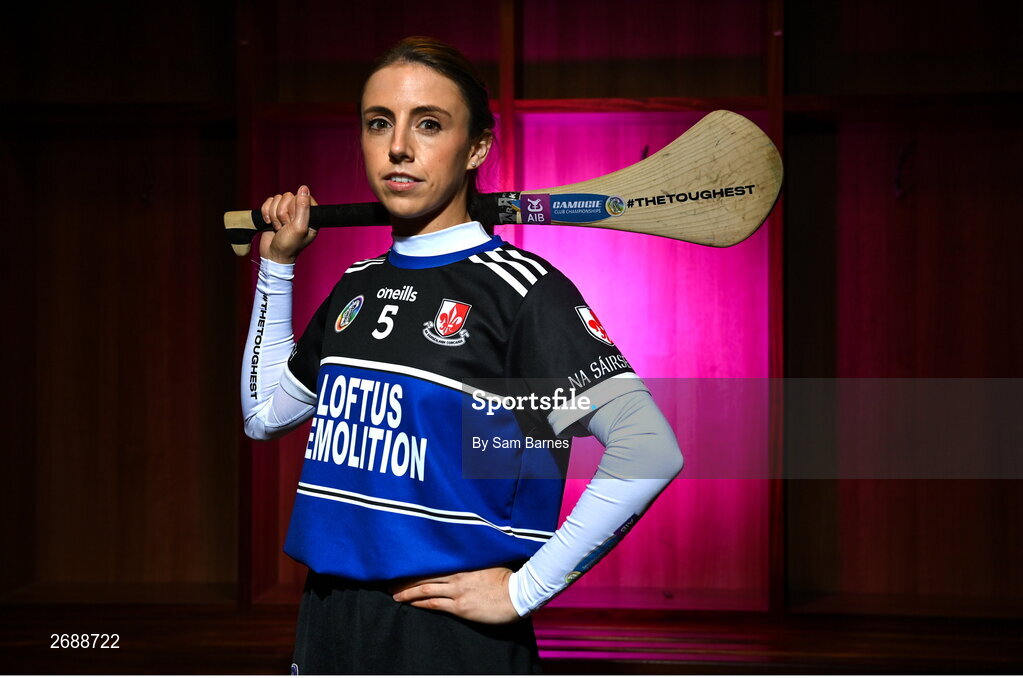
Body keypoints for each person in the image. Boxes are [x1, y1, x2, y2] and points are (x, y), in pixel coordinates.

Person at [240, 36, 683, 674]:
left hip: (448, 639)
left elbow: (647, 447)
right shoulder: (355, 286)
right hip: (329, 622)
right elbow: (266, 414)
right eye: (378, 123)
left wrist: (523, 591)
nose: (398, 147)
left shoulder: (521, 292)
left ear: (476, 146)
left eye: (429, 124)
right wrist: (276, 268)